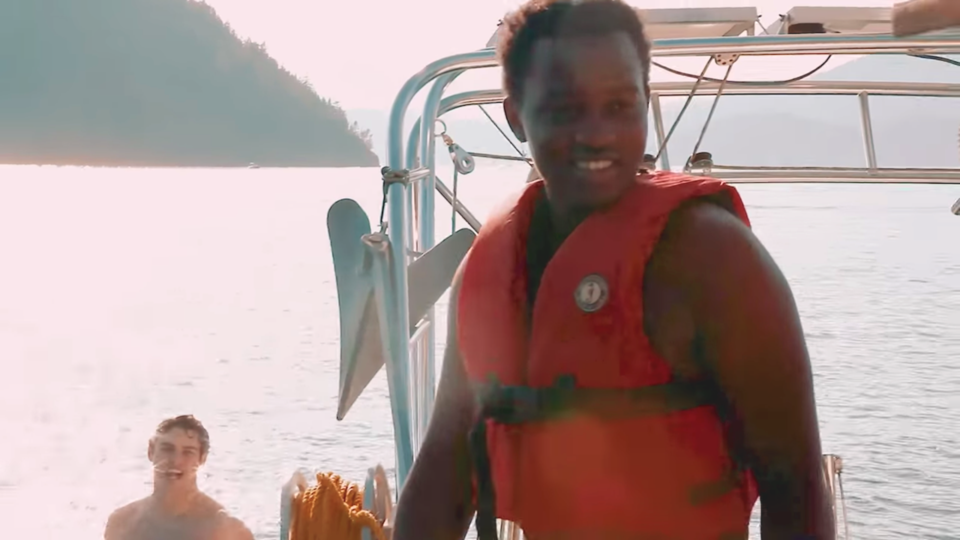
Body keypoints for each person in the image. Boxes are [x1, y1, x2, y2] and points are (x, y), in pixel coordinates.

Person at [391, 1, 834, 539]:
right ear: (516, 116)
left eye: (619, 106)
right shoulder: (491, 268)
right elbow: (445, 470)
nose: (595, 133)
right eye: (564, 109)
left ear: (647, 103)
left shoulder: (717, 260)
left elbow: (797, 484)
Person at [104, 415, 254, 540]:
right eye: (167, 449)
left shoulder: (226, 530)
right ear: (151, 451)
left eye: (188, 452)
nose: (176, 460)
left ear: (202, 458)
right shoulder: (121, 523)